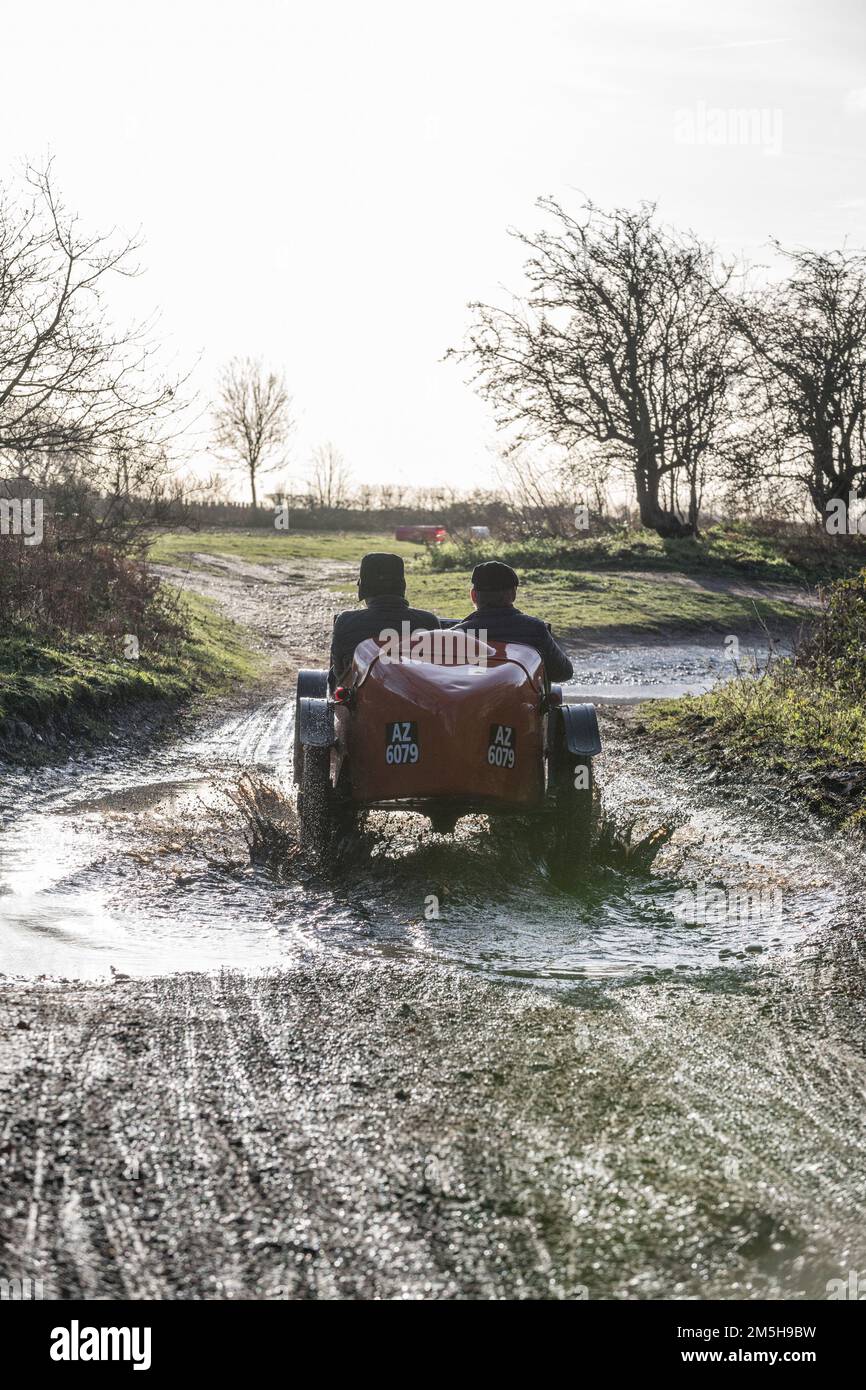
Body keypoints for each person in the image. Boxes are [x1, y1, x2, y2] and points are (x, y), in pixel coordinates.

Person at [328, 552, 439, 686]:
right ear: (402, 586)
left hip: (359, 699)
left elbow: (339, 672)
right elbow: (434, 671)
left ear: (363, 588)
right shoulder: (428, 621)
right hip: (417, 698)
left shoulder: (346, 621)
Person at [453, 559, 574, 682]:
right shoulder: (534, 629)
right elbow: (563, 673)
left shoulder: (458, 634)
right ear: (513, 594)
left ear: (473, 596)